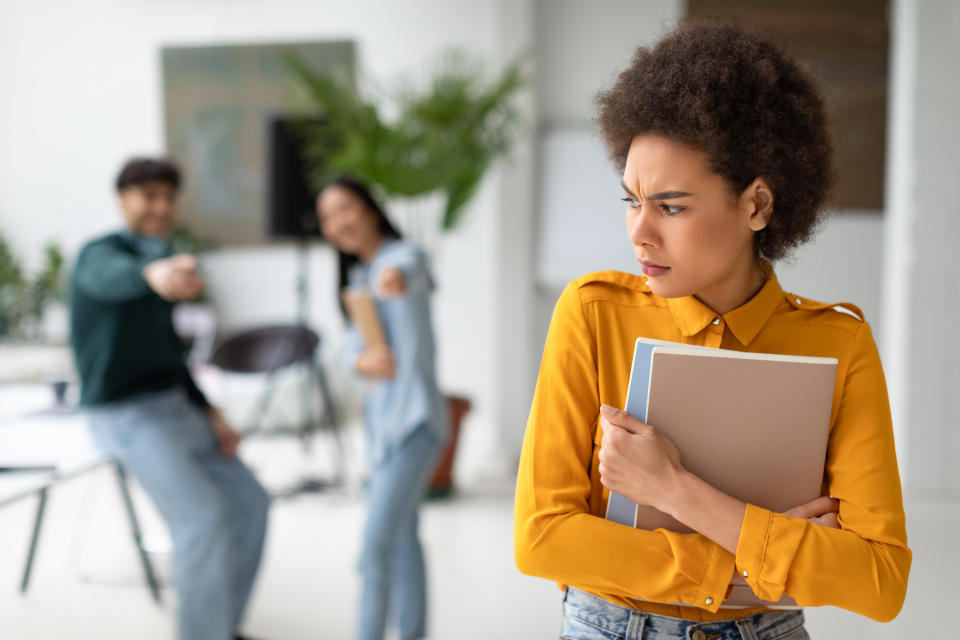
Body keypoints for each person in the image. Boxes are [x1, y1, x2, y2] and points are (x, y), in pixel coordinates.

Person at [514, 23, 910, 640]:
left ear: (756, 206)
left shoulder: (838, 343)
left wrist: (671, 488)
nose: (639, 233)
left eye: (671, 206)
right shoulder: (593, 313)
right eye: (631, 201)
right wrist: (746, 568)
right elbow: (541, 539)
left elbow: (880, 581)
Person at [70, 158, 270, 640]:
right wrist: (153, 275)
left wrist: (210, 411)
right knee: (201, 518)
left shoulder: (168, 255)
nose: (161, 207)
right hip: (124, 416)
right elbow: (110, 277)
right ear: (123, 199)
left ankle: (224, 624)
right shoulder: (99, 255)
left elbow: (169, 356)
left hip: (175, 408)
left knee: (250, 501)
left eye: (168, 198)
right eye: (149, 196)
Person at [316, 177, 447, 640]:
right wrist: (361, 359)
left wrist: (395, 280)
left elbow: (411, 269)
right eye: (327, 218)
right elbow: (351, 352)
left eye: (345, 209)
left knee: (373, 550)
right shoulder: (356, 278)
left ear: (371, 209)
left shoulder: (399, 260)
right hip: (384, 431)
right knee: (403, 541)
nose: (338, 223)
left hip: (414, 424)